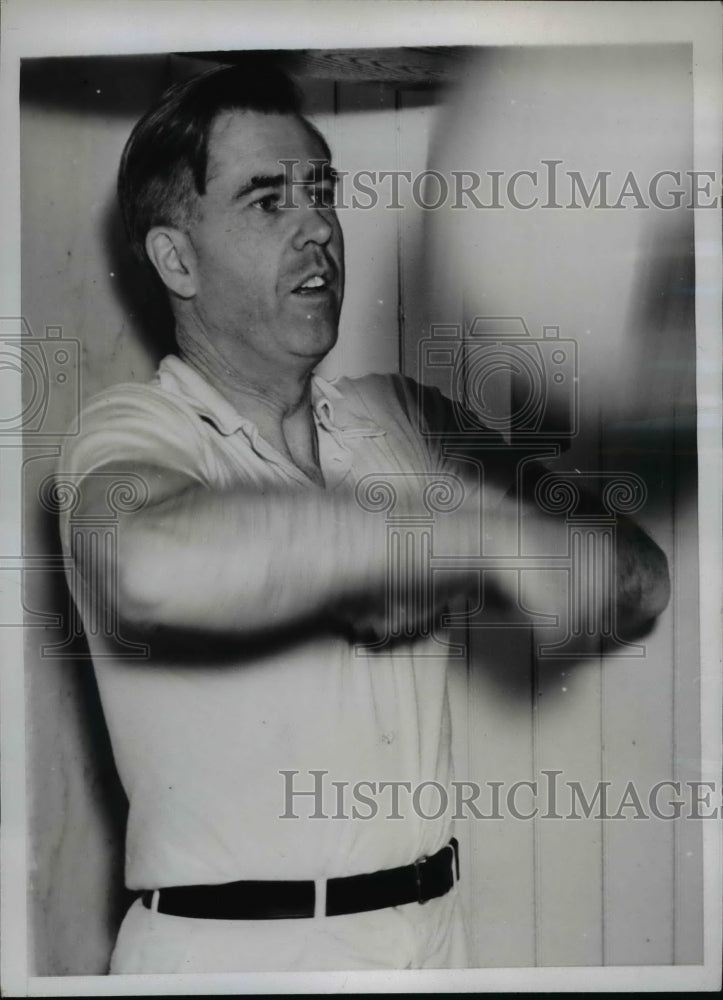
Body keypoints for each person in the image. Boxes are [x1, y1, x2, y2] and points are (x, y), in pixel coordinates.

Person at [56, 63, 670, 974]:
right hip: (232, 956)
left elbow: (636, 579)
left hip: (431, 937)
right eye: (268, 202)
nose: (317, 229)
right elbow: (150, 563)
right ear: (174, 259)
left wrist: (523, 549)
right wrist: (459, 536)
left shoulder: (403, 419)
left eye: (323, 195)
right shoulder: (128, 434)